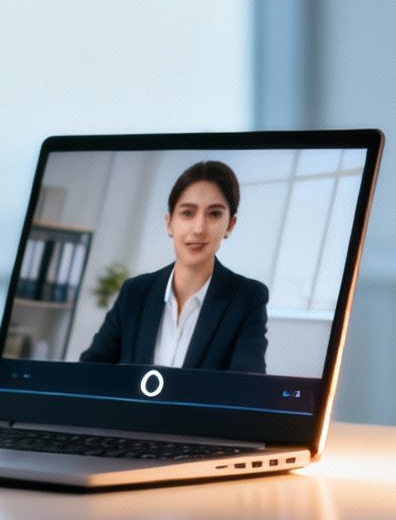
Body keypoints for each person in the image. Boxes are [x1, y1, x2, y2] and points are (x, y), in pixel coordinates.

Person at [79, 160, 267, 373]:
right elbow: (90, 370)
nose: (199, 228)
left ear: (230, 225)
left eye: (214, 214)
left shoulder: (247, 298)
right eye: (187, 213)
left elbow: (247, 389)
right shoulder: (134, 292)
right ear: (170, 223)